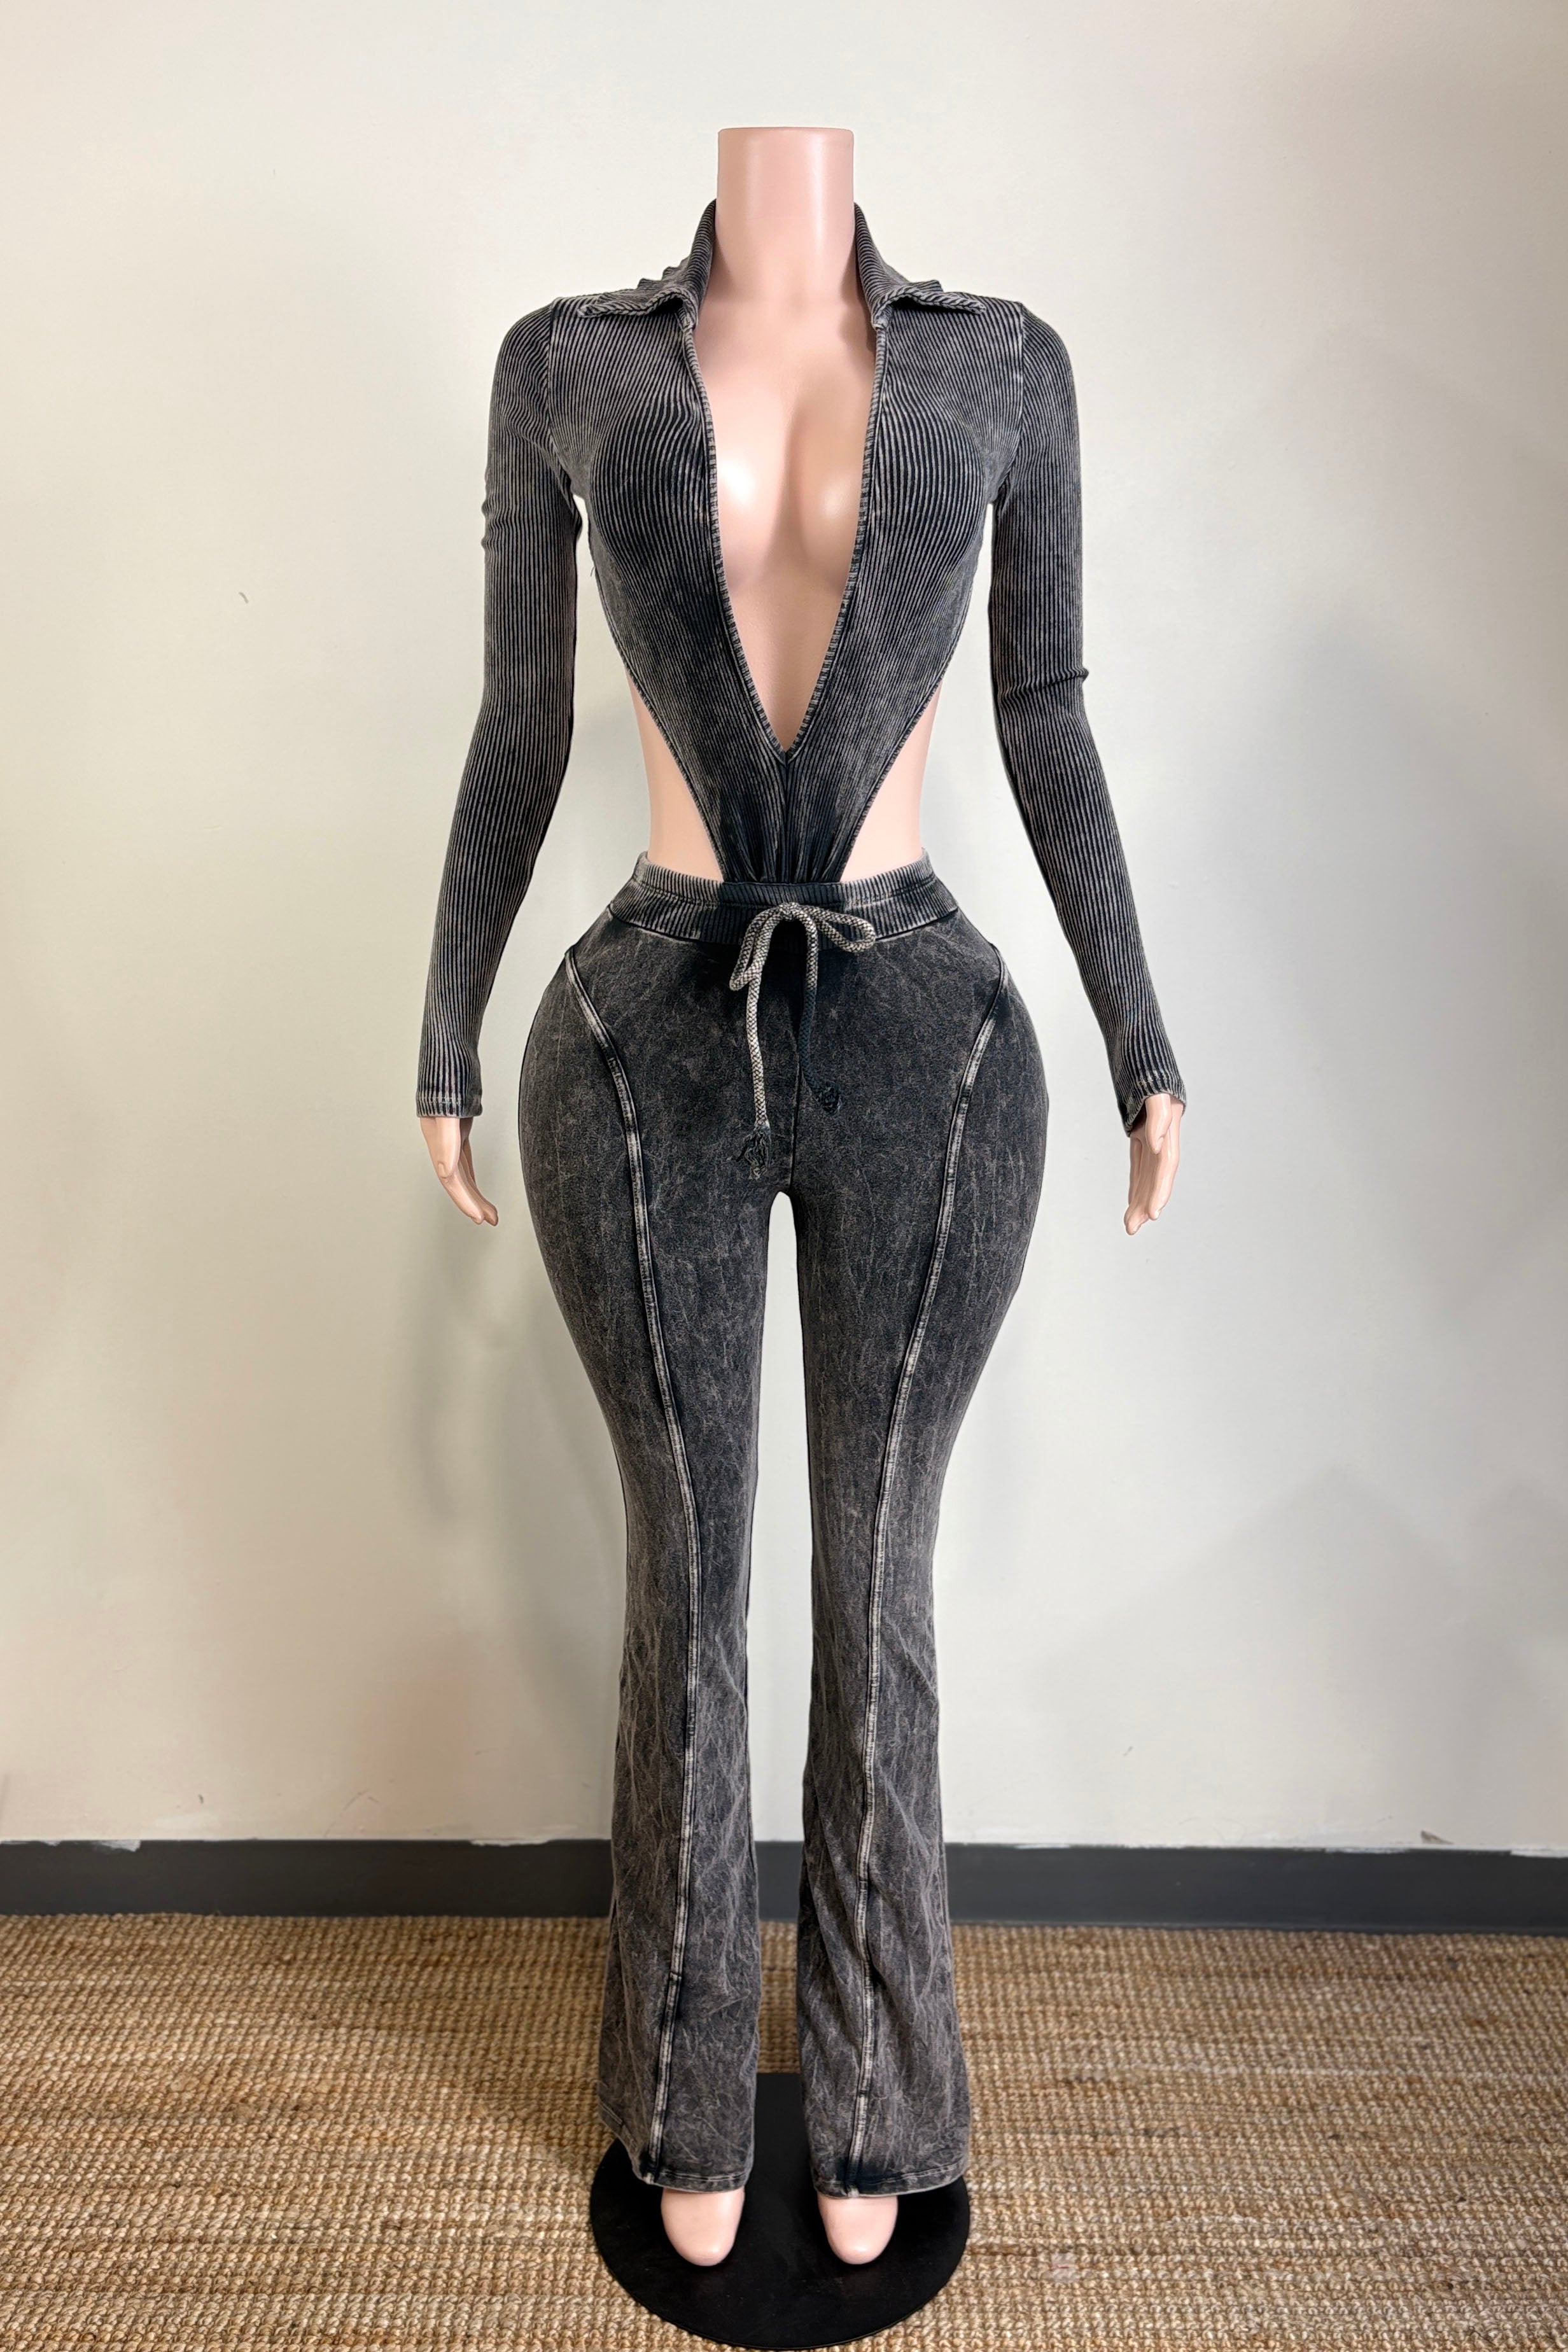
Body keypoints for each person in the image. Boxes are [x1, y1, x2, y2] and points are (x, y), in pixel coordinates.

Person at [417, 129, 1185, 2269]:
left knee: (877, 1589)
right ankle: (681, 2095)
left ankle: (876, 2104)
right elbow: (521, 721)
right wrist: (446, 1034)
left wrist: (1139, 1036)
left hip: (925, 1038)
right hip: (641, 1035)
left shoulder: (1002, 366)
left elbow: (1044, 714)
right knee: (689, 1589)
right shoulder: (564, 363)